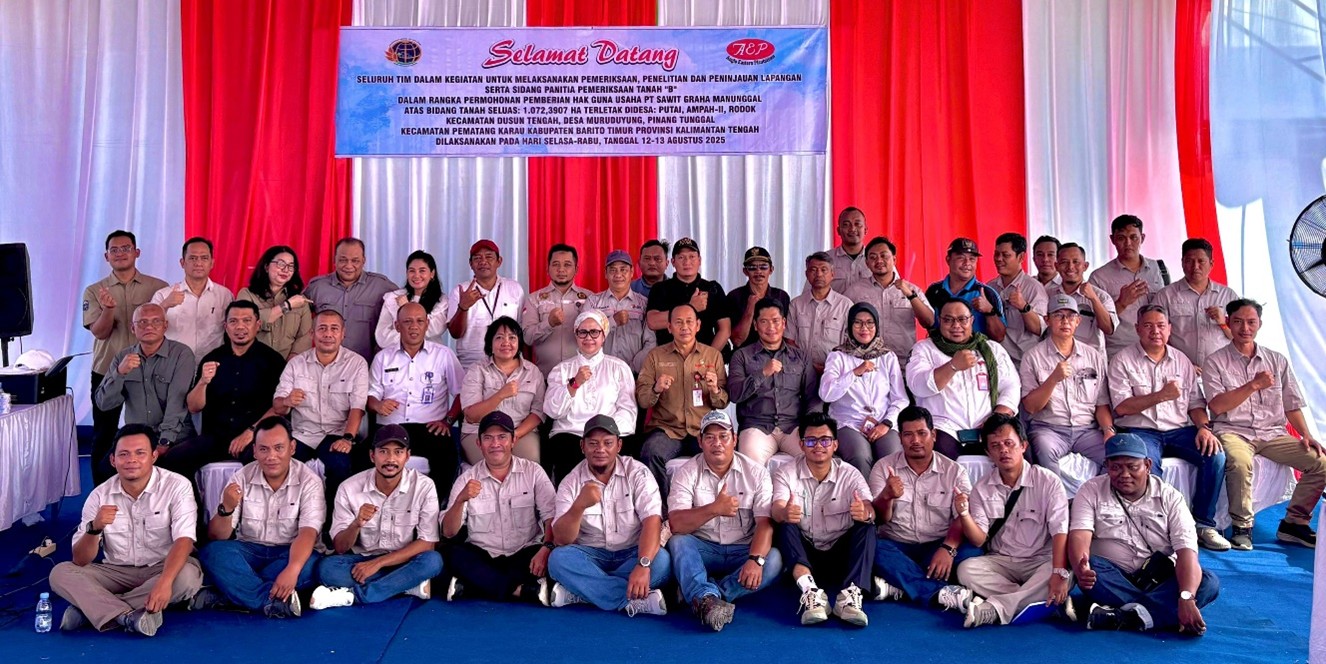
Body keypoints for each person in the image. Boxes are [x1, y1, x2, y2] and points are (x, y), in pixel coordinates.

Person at [49, 424, 202, 636]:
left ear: (154, 456)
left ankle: (91, 610)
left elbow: (184, 540)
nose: (131, 460)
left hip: (162, 567)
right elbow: (80, 560)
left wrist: (165, 582)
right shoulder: (99, 495)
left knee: (187, 577)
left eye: (140, 453)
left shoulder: (177, 486)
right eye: (124, 454)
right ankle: (127, 616)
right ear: (113, 460)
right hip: (116, 572)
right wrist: (94, 528)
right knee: (60, 573)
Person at [1203, 299, 1325, 550]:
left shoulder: (1276, 360)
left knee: (1321, 462)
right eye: (1238, 322)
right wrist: (1253, 385)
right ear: (1228, 322)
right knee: (1239, 462)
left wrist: (1306, 434)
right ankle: (1242, 527)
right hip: (1233, 431)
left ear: (1260, 324)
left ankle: (1294, 523)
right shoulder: (1215, 361)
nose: (1245, 328)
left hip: (1272, 433)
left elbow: (1292, 403)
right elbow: (1217, 406)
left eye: (1251, 322)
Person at [1068, 433, 1220, 634]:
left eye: (1132, 467)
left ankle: (1121, 617)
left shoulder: (1171, 497)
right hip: (1112, 576)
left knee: (1207, 582)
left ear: (1148, 465)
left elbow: (1186, 552)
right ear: (1106, 466)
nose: (1124, 474)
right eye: (1116, 467)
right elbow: (1079, 535)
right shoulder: (1090, 490)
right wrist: (1082, 568)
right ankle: (1161, 613)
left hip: (1159, 578)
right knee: (1093, 570)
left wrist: (1186, 596)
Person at [1109, 304, 1229, 551]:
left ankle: (1203, 524)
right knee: (1147, 464)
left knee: (1215, 454)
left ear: (1170, 329)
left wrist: (1204, 428)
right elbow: (1121, 407)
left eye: (1161, 326)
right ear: (1137, 329)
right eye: (1148, 326)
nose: (1155, 331)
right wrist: (1161, 396)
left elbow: (1195, 404)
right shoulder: (1122, 360)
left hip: (1178, 430)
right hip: (1139, 430)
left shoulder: (1181, 360)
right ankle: (1154, 529)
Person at [194, 416, 323, 618]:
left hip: (289, 552)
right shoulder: (241, 477)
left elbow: (308, 533)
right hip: (249, 551)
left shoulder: (309, 481)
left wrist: (292, 569)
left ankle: (229, 595)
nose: (271, 456)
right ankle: (269, 601)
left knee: (310, 565)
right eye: (264, 449)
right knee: (213, 552)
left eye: (278, 448)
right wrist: (226, 508)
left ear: (292, 447)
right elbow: (217, 536)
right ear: (254, 451)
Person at [667, 411, 784, 631]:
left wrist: (755, 559)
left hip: (743, 549)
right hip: (705, 548)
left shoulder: (756, 473)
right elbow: (676, 523)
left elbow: (764, 523)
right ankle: (706, 596)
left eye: (723, 436)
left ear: (735, 439)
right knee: (679, 542)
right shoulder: (686, 472)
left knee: (774, 560)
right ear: (700, 442)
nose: (717, 443)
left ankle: (705, 597)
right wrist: (714, 509)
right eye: (710, 437)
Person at [547, 415, 671, 617]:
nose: (600, 449)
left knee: (662, 562)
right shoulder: (571, 481)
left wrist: (642, 564)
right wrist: (579, 506)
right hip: (591, 556)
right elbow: (561, 539)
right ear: (582, 446)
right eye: (593, 443)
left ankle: (584, 592)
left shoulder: (638, 473)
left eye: (608, 443)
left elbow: (652, 521)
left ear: (619, 445)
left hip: (631, 553)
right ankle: (632, 599)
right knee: (558, 560)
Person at [954, 413, 1071, 628]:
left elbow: (1060, 531)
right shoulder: (981, 488)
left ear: (1023, 446)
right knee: (966, 569)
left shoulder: (1048, 481)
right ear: (988, 452)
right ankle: (1041, 600)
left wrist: (1057, 572)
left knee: (1063, 571)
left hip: (1040, 560)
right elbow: (979, 540)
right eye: (995, 446)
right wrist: (964, 514)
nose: (1003, 450)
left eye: (1009, 443)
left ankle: (994, 609)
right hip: (1002, 561)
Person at [312, 424, 443, 608]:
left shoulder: (424, 486)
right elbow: (340, 547)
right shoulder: (349, 488)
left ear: (407, 456)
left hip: (404, 559)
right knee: (326, 569)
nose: (390, 459)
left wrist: (378, 564)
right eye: (383, 451)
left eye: (398, 452)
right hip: (363, 560)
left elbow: (427, 543)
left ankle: (353, 596)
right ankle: (406, 583)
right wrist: (356, 524)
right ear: (372, 456)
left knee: (433, 561)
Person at [868, 406, 978, 614]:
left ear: (933, 435)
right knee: (872, 548)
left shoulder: (954, 471)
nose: (915, 440)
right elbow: (879, 520)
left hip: (937, 545)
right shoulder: (883, 467)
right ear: (900, 438)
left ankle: (901, 585)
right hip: (897, 545)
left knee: (975, 550)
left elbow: (962, 517)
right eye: (908, 435)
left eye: (922, 433)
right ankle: (937, 592)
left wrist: (948, 548)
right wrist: (886, 496)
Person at [772, 412, 875, 627]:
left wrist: (865, 511)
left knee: (867, 526)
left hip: (840, 553)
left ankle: (850, 597)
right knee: (785, 525)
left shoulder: (850, 474)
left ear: (835, 445)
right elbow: (777, 508)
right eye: (811, 441)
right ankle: (810, 592)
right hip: (805, 555)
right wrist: (784, 513)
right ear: (801, 445)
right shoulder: (785, 473)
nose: (818, 446)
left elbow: (869, 507)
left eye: (825, 440)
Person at [441, 412, 556, 605]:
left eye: (502, 437)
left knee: (553, 556)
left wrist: (546, 548)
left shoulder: (533, 472)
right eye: (488, 438)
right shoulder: (466, 479)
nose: (495, 444)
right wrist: (460, 500)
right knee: (452, 554)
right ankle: (520, 591)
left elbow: (551, 516)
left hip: (524, 552)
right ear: (479, 443)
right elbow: (449, 532)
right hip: (483, 554)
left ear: (513, 441)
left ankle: (471, 587)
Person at [83, 230, 169, 483]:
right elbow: (100, 333)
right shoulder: (95, 290)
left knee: (152, 432)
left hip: (151, 371)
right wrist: (108, 309)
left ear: (137, 252)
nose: (120, 253)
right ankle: (100, 493)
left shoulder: (158, 287)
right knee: (104, 434)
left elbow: (166, 328)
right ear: (106, 256)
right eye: (114, 250)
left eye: (126, 248)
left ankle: (152, 489)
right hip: (109, 370)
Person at [368, 302, 465, 499]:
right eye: (407, 322)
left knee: (447, 457)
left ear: (427, 324)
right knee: (361, 456)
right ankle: (376, 507)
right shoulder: (382, 358)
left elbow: (463, 393)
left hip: (430, 427)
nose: (414, 326)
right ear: (397, 326)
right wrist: (378, 405)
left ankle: (436, 508)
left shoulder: (443, 355)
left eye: (420, 321)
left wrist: (448, 421)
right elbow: (370, 397)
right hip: (390, 426)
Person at [1019, 294, 1114, 492]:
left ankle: (1095, 500)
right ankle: (1058, 504)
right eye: (1058, 315)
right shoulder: (1032, 357)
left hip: (1086, 430)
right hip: (1049, 428)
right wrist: (1053, 379)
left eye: (1071, 316)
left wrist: (1108, 430)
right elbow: (1030, 407)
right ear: (1047, 320)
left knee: (1115, 455)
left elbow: (1101, 403)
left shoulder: (1093, 356)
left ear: (1078, 321)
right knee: (1044, 451)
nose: (1065, 321)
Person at [637, 304, 729, 506]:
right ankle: (662, 512)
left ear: (698, 325)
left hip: (702, 429)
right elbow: (643, 400)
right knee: (650, 452)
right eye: (678, 322)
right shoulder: (655, 356)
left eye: (689, 322)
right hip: (667, 429)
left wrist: (715, 389)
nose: (684, 327)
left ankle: (710, 508)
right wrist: (656, 389)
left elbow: (723, 401)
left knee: (722, 453)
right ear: (669, 327)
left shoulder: (713, 356)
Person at [94, 303, 199, 477]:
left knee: (173, 467)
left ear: (165, 326)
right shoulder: (122, 357)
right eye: (142, 322)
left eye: (156, 321)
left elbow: (177, 402)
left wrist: (164, 442)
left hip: (175, 437)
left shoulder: (181, 354)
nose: (149, 326)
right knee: (105, 469)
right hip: (136, 437)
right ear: (133, 328)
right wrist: (120, 373)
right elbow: (104, 403)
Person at [273, 310, 370, 499]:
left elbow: (357, 408)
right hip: (302, 434)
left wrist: (347, 439)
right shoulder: (296, 364)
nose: (328, 334)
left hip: (337, 433)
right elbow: (277, 407)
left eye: (334, 329)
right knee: (280, 466)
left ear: (343, 334)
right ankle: (290, 514)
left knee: (340, 466)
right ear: (312, 333)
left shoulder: (356, 363)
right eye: (322, 328)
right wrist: (286, 401)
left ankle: (333, 516)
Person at [906, 299, 1020, 458]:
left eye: (962, 319)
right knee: (943, 460)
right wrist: (952, 366)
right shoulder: (924, 348)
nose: (956, 325)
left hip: (989, 425)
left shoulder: (991, 349)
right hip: (943, 427)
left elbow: (1011, 386)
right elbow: (917, 386)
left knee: (1013, 457)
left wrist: (998, 417)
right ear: (940, 320)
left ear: (971, 320)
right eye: (948, 320)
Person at [543, 311, 638, 483]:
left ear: (603, 335)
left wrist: (603, 434)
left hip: (609, 434)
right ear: (576, 335)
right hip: (571, 433)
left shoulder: (619, 368)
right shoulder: (562, 369)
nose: (588, 338)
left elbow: (628, 411)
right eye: (583, 332)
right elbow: (553, 411)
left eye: (594, 332)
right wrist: (574, 384)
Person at [186, 301, 284, 464]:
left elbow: (280, 407)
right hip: (215, 437)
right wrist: (203, 382)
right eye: (233, 321)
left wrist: (252, 431)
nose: (240, 327)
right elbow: (193, 407)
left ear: (258, 325)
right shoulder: (212, 358)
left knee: (258, 460)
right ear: (226, 326)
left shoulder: (273, 360)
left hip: (256, 436)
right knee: (174, 459)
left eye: (247, 321)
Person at [728, 298, 820, 467]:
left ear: (784, 323)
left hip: (794, 427)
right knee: (750, 465)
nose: (771, 327)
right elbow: (734, 394)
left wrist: (809, 426)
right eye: (764, 322)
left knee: (815, 458)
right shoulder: (742, 356)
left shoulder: (800, 357)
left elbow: (813, 396)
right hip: (756, 427)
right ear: (755, 325)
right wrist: (762, 373)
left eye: (776, 321)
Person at [821, 303, 908, 466]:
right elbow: (826, 394)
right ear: (849, 326)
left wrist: (886, 423)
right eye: (858, 322)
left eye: (870, 323)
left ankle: (888, 485)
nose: (864, 328)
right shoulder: (838, 356)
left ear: (877, 326)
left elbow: (901, 399)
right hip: (848, 423)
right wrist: (854, 373)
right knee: (860, 456)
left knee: (892, 456)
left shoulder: (887, 357)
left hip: (882, 422)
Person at [459, 317, 546, 465]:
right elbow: (471, 416)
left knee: (529, 466)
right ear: (490, 343)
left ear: (519, 342)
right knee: (495, 464)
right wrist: (500, 395)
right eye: (499, 337)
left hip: (520, 431)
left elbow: (538, 412)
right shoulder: (477, 370)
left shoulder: (533, 371)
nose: (506, 343)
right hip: (480, 432)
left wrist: (515, 434)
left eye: (512, 338)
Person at [843, 236, 933, 368]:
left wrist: (910, 295)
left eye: (884, 256)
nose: (879, 260)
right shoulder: (855, 291)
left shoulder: (911, 289)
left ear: (894, 259)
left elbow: (930, 322)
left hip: (903, 363)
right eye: (873, 257)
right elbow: (842, 325)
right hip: (867, 364)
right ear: (867, 263)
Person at [303, 237, 397, 362]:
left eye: (355, 261)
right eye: (343, 260)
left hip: (368, 364)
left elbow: (407, 308)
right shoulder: (317, 287)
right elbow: (297, 317)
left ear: (363, 261)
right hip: (326, 364)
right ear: (334, 260)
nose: (348, 265)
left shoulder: (381, 286)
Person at [1088, 215, 1169, 358]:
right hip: (1118, 353)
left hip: (1156, 351)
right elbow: (1096, 323)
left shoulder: (1159, 269)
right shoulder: (1099, 277)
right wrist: (1121, 303)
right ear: (1112, 239)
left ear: (1142, 238)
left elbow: (1167, 311)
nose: (1128, 243)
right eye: (1121, 238)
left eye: (1133, 237)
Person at [1150, 238, 1238, 367]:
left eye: (1201, 261)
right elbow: (1154, 335)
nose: (1195, 267)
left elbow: (1240, 338)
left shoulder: (1228, 295)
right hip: (1178, 369)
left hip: (1222, 369)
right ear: (1182, 263)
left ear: (1211, 264)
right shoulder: (1166, 295)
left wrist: (1223, 323)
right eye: (1189, 261)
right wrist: (1181, 363)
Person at [448, 239, 526, 370]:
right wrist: (463, 307)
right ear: (471, 264)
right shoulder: (461, 291)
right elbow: (455, 334)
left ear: (499, 261)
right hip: (471, 365)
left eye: (489, 257)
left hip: (508, 365)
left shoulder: (514, 288)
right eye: (477, 258)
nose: (483, 262)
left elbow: (521, 330)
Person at [151, 237, 233, 359]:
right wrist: (165, 305)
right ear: (182, 263)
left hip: (213, 363)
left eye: (204, 258)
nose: (198, 263)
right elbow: (149, 328)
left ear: (212, 263)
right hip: (174, 363)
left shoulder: (225, 295)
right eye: (193, 258)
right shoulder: (163, 295)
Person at [645, 237, 731, 353]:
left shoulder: (712, 288)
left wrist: (708, 357)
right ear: (673, 262)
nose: (687, 262)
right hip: (669, 357)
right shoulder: (660, 289)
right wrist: (691, 307)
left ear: (699, 260)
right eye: (681, 257)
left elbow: (725, 330)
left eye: (692, 257)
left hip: (706, 356)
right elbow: (652, 322)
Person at [522, 243, 594, 376]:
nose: (561, 269)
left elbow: (598, 336)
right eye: (555, 264)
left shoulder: (590, 298)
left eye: (567, 264)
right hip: (545, 376)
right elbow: (527, 338)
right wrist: (548, 324)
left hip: (581, 375)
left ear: (576, 269)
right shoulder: (534, 299)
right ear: (547, 268)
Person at [236, 245, 313, 360]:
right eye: (281, 264)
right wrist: (287, 306)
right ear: (266, 267)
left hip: (287, 364)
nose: (286, 270)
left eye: (291, 266)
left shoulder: (300, 300)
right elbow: (245, 324)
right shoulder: (247, 294)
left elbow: (305, 336)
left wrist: (292, 362)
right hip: (251, 362)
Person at [924, 238, 1006, 342]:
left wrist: (990, 311)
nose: (967, 263)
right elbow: (927, 324)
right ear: (948, 259)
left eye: (972, 259)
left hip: (976, 351)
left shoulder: (987, 293)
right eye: (961, 258)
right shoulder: (934, 291)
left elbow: (999, 337)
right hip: (939, 350)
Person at [588, 249, 656, 373]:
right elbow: (584, 336)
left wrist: (631, 369)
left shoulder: (644, 303)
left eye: (623, 270)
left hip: (635, 373)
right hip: (600, 373)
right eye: (613, 270)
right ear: (605, 273)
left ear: (632, 272)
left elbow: (650, 342)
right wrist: (611, 322)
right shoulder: (593, 302)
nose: (618, 275)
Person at [786, 251, 853, 372]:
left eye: (824, 270)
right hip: (801, 371)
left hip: (835, 371)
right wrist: (807, 366)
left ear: (832, 274)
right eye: (813, 270)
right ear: (806, 274)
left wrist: (830, 368)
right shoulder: (796, 304)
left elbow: (850, 343)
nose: (818, 274)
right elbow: (789, 340)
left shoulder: (845, 305)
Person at [988, 232, 1048, 367]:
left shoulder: (1033, 288)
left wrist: (1023, 307)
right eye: (996, 254)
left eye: (1005, 255)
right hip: (997, 361)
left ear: (1021, 257)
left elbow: (1039, 329)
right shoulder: (990, 287)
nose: (999, 259)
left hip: (1024, 363)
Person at [1047, 242, 1118, 354]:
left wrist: (1094, 299)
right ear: (1056, 266)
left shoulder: (1101, 296)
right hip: (1055, 358)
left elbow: (1108, 329)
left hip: (1090, 359)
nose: (1070, 267)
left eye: (1076, 262)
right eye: (1064, 262)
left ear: (1085, 266)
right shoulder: (1048, 294)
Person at [374, 250, 449, 350]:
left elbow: (434, 330)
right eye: (412, 271)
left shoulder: (442, 301)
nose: (416, 276)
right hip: (397, 355)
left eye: (422, 271)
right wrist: (413, 336)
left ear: (432, 274)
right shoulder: (393, 297)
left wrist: (406, 308)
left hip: (431, 356)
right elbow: (382, 337)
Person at [726, 247, 791, 351]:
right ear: (745, 271)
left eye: (763, 267)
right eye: (752, 267)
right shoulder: (734, 296)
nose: (758, 272)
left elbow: (787, 334)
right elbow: (737, 340)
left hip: (776, 354)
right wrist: (750, 309)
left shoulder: (781, 296)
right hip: (743, 356)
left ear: (771, 270)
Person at [829, 206, 872, 292]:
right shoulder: (825, 259)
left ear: (865, 230)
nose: (852, 229)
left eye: (857, 224)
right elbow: (809, 294)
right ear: (838, 230)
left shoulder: (878, 260)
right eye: (846, 225)